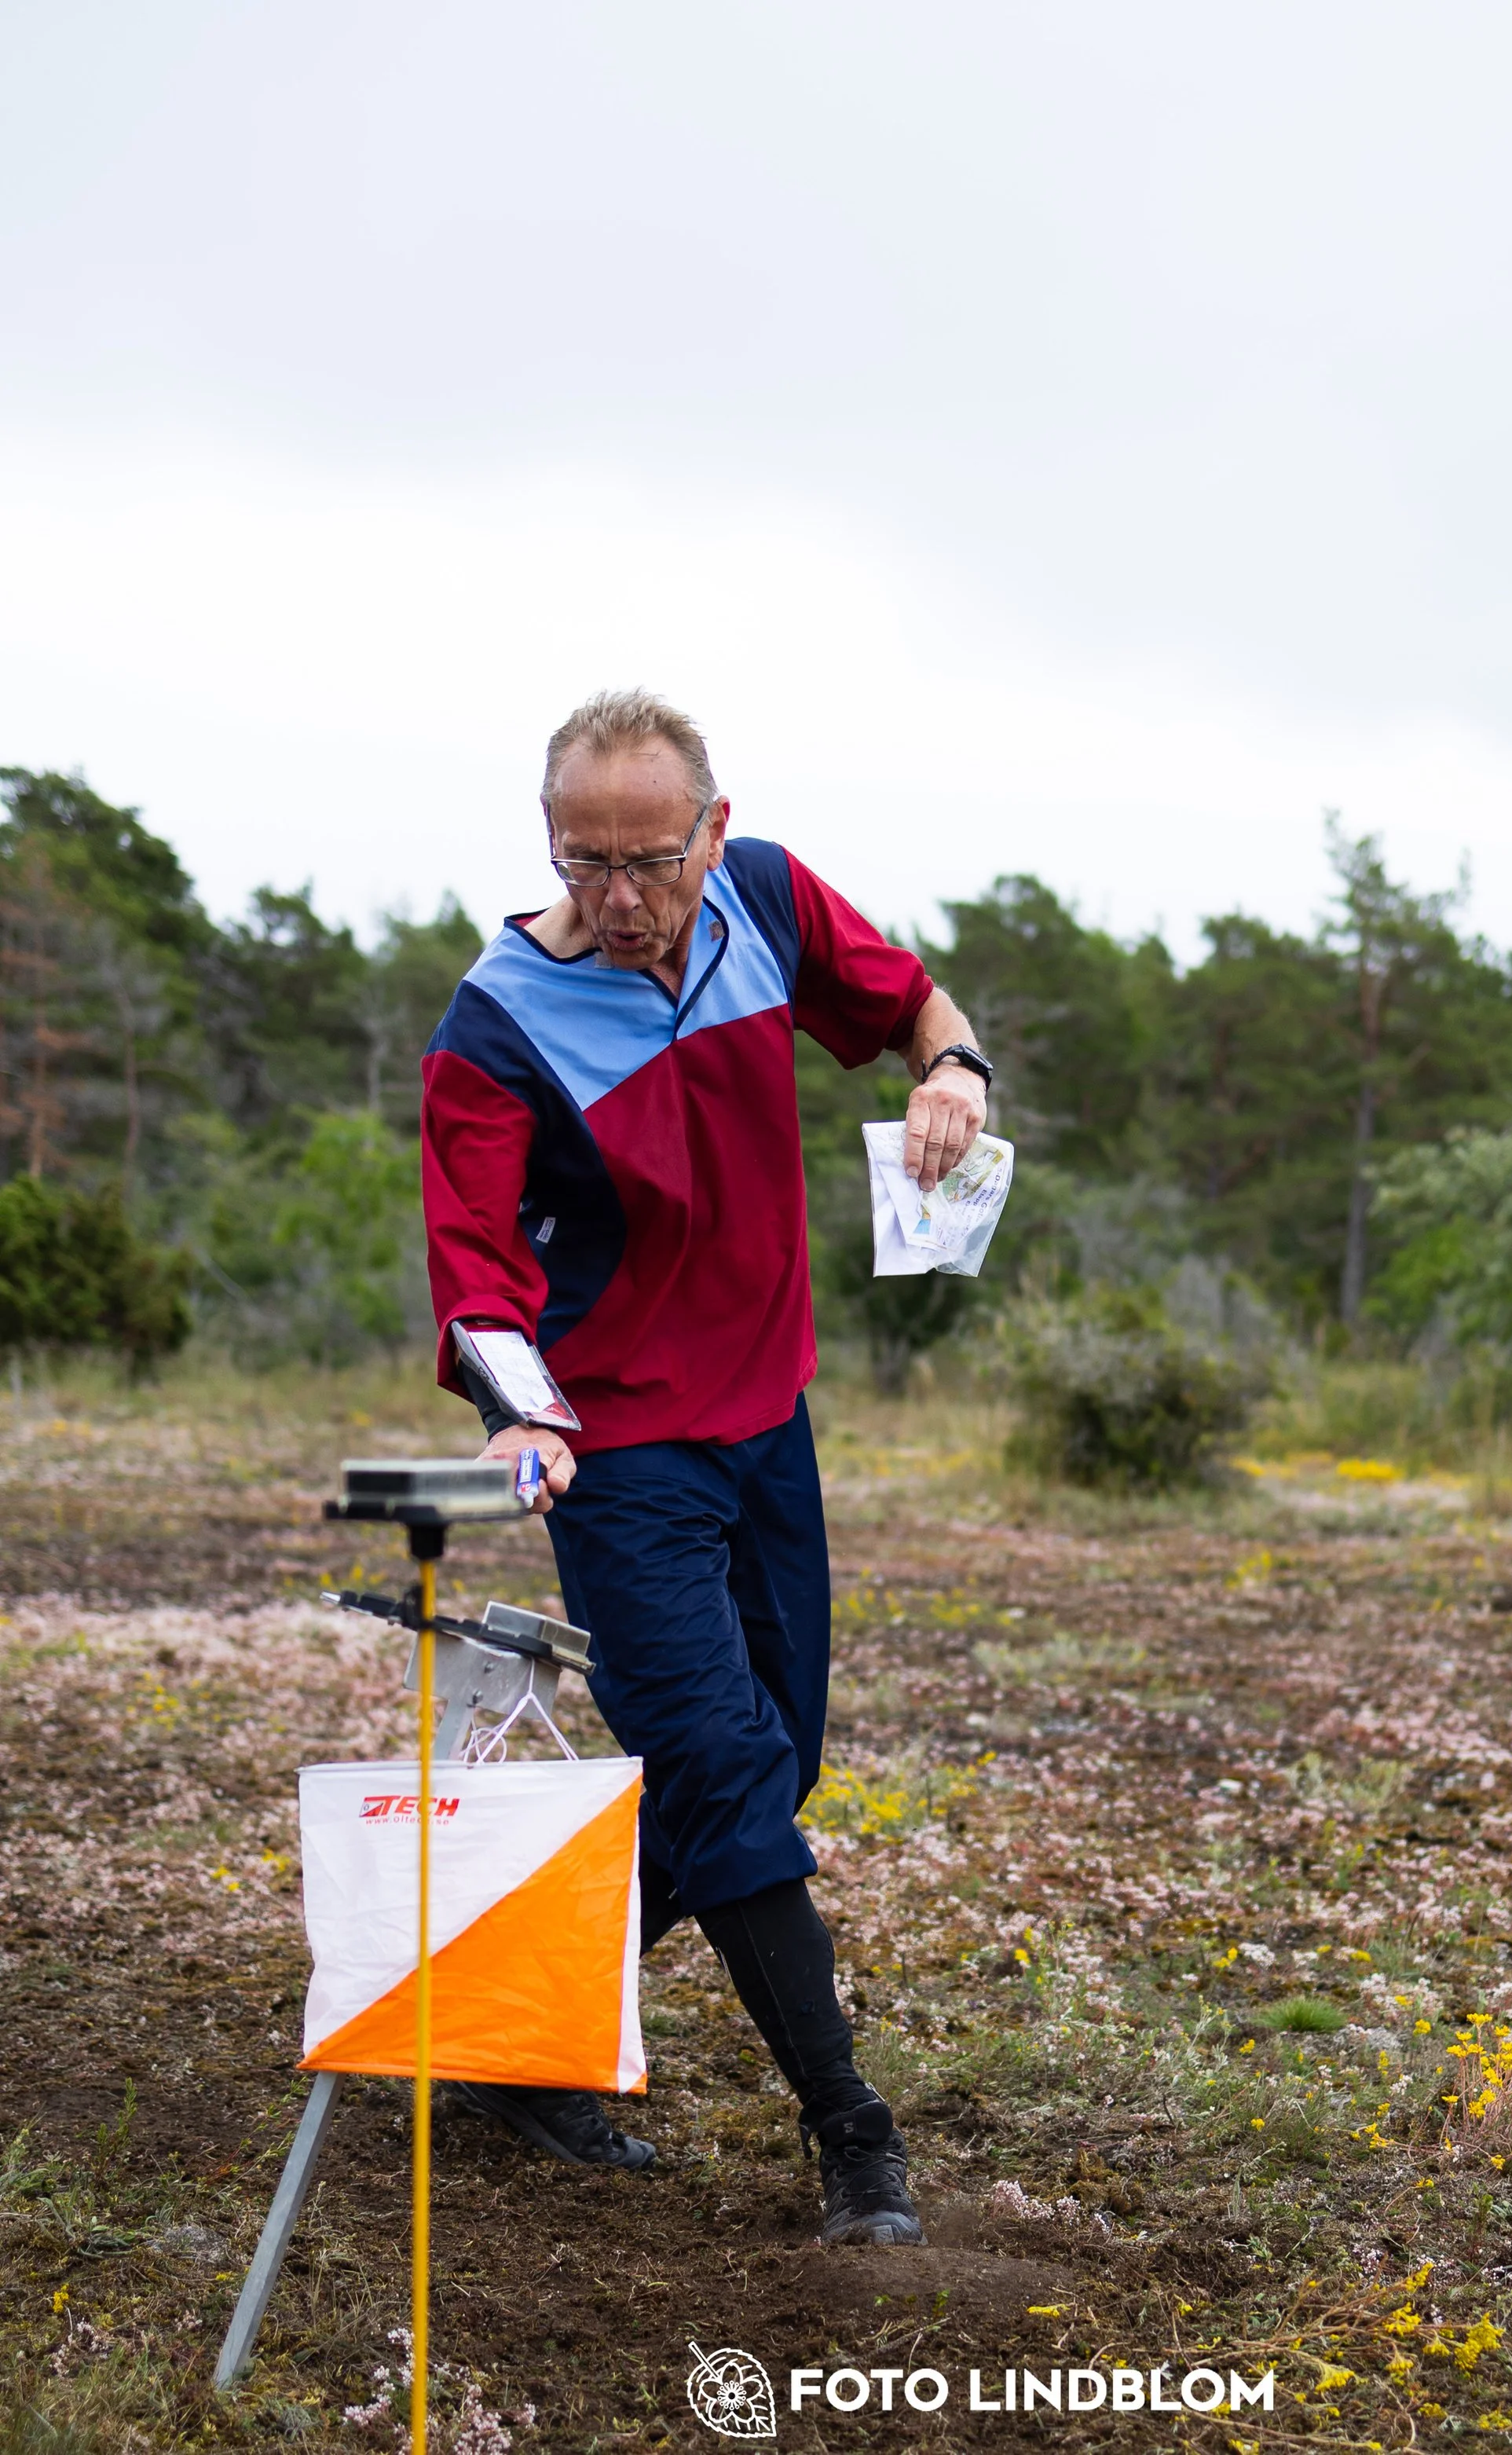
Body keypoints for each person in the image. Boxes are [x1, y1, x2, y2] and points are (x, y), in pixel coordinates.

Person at [418, 690, 991, 2247]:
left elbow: (910, 1002)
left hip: (766, 1414)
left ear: (712, 832)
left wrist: (954, 1069)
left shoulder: (768, 898)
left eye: (649, 860)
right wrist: (520, 1410)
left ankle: (508, 2033)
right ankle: (854, 2137)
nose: (618, 896)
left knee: (770, 1760)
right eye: (583, 860)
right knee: (727, 1772)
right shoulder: (496, 1026)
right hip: (616, 1450)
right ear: (550, 842)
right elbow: (474, 1268)